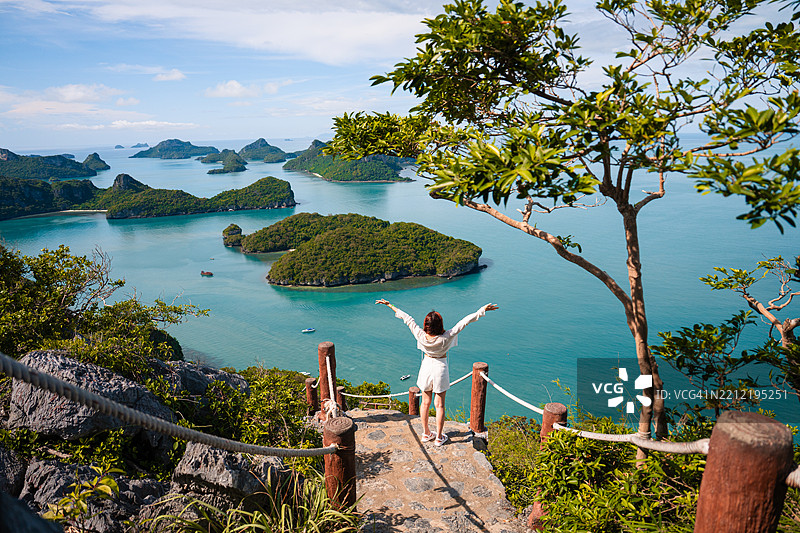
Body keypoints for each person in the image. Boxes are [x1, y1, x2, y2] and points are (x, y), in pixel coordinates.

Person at [375, 298, 498, 446]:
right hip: (440, 368)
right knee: (439, 405)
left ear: (426, 325)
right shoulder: (447, 337)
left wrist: (390, 305)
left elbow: (407, 318)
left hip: (426, 367)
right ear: (440, 324)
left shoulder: (420, 335)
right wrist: (481, 310)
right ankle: (439, 437)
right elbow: (464, 322)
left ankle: (426, 433)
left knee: (425, 403)